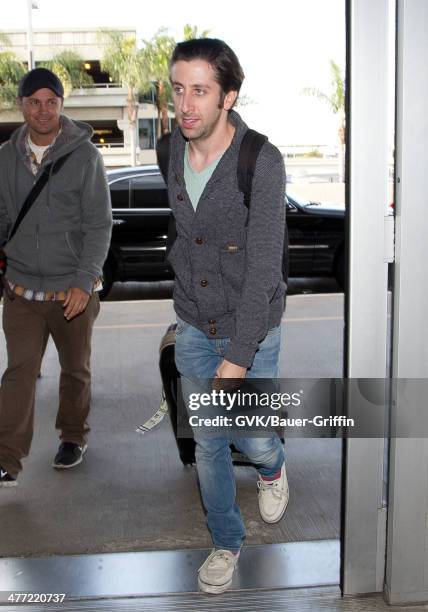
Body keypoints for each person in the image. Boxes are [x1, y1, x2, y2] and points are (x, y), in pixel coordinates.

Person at [166, 39, 289, 594]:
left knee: (250, 433)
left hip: (252, 326)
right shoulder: (174, 145)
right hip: (195, 322)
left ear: (228, 97)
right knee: (209, 439)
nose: (185, 104)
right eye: (177, 89)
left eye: (199, 91)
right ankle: (225, 540)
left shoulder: (260, 160)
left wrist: (238, 359)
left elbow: (264, 272)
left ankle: (272, 464)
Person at [0, 68, 112, 487]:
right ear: (22, 106)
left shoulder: (85, 157)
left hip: (72, 291)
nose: (43, 110)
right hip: (22, 289)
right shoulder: (5, 159)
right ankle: (7, 457)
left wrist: (84, 282)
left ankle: (72, 435)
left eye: (51, 101)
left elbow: (99, 224)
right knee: (19, 372)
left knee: (75, 369)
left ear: (61, 105)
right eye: (34, 101)